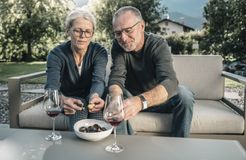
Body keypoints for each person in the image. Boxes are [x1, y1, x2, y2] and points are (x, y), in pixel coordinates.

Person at [108, 6, 194, 137]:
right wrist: (115, 100)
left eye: (128, 30)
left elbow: (170, 82)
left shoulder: (158, 44)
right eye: (118, 33)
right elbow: (116, 77)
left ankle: (179, 146)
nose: (123, 38)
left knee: (185, 95)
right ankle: (125, 146)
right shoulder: (118, 46)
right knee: (115, 94)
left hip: (157, 100)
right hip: (130, 101)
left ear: (142, 26)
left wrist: (140, 102)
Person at [45, 8, 108, 130]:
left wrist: (94, 96)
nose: (83, 36)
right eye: (77, 31)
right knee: (79, 112)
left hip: (93, 96)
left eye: (88, 31)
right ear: (68, 31)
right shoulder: (56, 54)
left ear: (92, 33)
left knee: (98, 118)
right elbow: (51, 87)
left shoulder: (99, 52)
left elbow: (98, 80)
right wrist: (62, 100)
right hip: (70, 99)